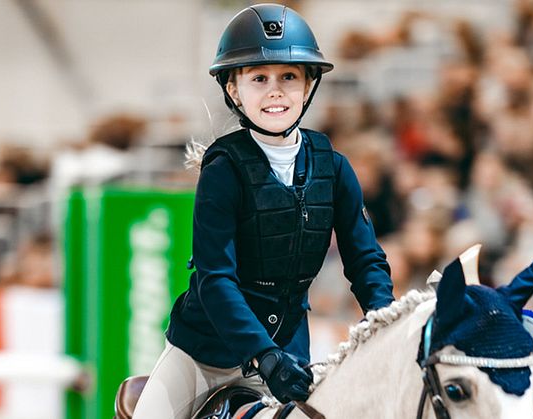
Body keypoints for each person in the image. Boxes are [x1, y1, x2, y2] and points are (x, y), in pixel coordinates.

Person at [132, 4, 395, 418]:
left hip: (289, 354)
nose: (275, 91)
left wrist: (384, 320)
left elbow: (365, 260)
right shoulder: (223, 171)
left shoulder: (335, 167)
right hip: (205, 356)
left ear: (308, 86)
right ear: (234, 90)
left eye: (288, 77)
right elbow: (215, 278)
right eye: (259, 79)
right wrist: (262, 355)